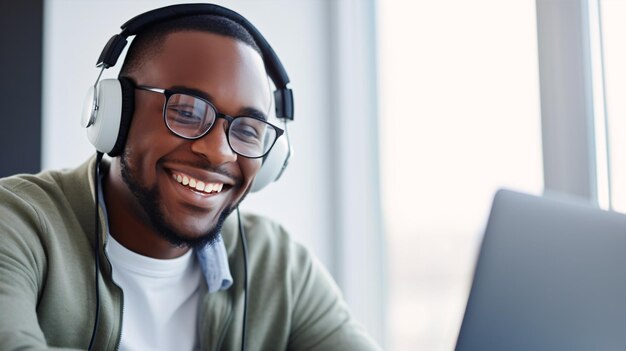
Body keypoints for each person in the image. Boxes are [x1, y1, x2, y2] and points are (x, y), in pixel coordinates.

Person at [0, 4, 381, 351]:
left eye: (248, 130)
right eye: (185, 112)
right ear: (113, 114)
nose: (218, 152)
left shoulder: (278, 265)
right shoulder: (15, 224)